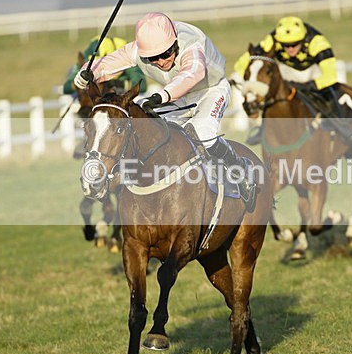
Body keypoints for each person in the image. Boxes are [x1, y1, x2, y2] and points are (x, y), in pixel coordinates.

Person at [74, 12, 256, 212]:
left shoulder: (191, 43)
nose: (160, 61)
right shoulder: (139, 49)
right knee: (151, 131)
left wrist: (162, 96)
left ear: (174, 43)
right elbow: (109, 63)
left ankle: (240, 169)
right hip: (176, 97)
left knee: (202, 132)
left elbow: (193, 72)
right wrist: (87, 73)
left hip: (211, 91)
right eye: (153, 58)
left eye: (166, 54)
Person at [233, 15, 352, 145]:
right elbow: (242, 63)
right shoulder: (272, 39)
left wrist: (308, 86)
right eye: (286, 45)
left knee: (326, 96)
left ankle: (342, 127)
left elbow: (330, 76)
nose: (290, 49)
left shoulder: (318, 43)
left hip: (314, 71)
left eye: (294, 44)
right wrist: (250, 83)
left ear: (302, 39)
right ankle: (263, 129)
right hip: (288, 71)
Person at [62, 35, 146, 96]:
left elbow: (142, 86)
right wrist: (80, 83)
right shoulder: (87, 55)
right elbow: (66, 88)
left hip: (120, 95)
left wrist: (115, 84)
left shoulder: (127, 53)